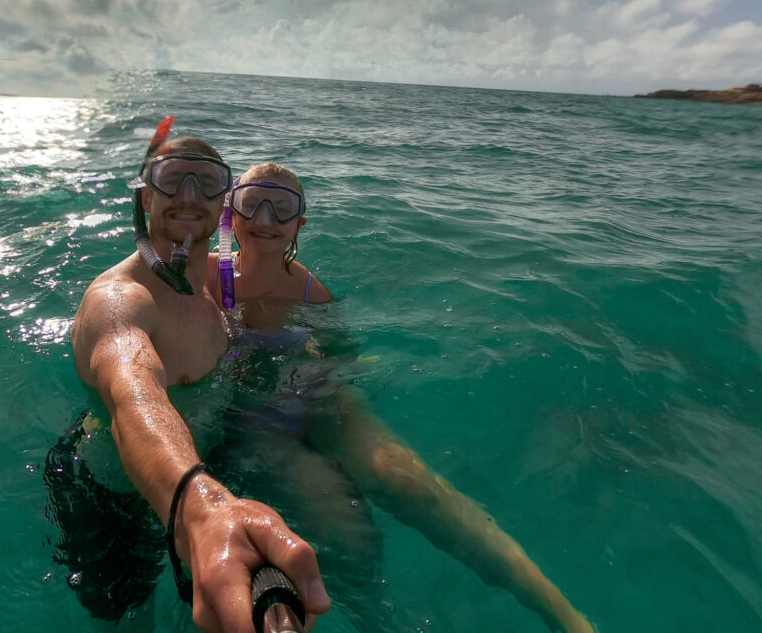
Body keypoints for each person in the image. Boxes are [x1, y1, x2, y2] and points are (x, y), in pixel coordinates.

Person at [206, 162, 596, 633]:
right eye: (252, 203)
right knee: (345, 529)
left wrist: (336, 380)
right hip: (250, 421)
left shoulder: (312, 292)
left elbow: (343, 358)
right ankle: (374, 616)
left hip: (315, 398)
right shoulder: (206, 279)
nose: (265, 219)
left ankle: (566, 616)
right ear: (230, 211)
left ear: (298, 226)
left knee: (411, 483)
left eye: (282, 208)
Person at [49, 120, 331, 633]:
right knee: (125, 619)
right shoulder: (120, 301)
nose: (188, 195)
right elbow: (132, 392)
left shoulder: (211, 289)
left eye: (206, 183)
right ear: (144, 200)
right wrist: (200, 509)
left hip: (204, 469)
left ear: (226, 205)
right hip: (114, 495)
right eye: (171, 179)